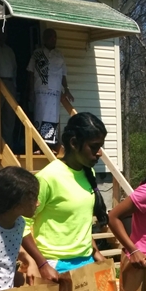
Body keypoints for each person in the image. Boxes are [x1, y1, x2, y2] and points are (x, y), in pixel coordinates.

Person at [22, 112, 107, 281]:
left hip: (86, 261)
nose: (99, 153)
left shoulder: (88, 172)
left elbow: (78, 221)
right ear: (74, 143)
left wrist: (96, 252)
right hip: (55, 266)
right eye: (94, 146)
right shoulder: (48, 177)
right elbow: (22, 224)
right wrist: (41, 264)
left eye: (100, 147)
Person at [26, 28, 74, 150]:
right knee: (40, 117)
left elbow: (63, 74)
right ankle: (38, 147)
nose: (54, 39)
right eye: (51, 36)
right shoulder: (37, 53)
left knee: (52, 118)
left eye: (55, 37)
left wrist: (66, 89)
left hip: (55, 92)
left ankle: (50, 146)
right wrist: (30, 91)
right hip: (40, 91)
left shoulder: (59, 55)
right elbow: (30, 71)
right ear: (44, 38)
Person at [0, 25, 18, 150]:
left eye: (5, 33)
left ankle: (9, 146)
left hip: (9, 83)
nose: (3, 35)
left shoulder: (9, 50)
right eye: (1, 32)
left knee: (10, 116)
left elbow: (14, 69)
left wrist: (14, 85)